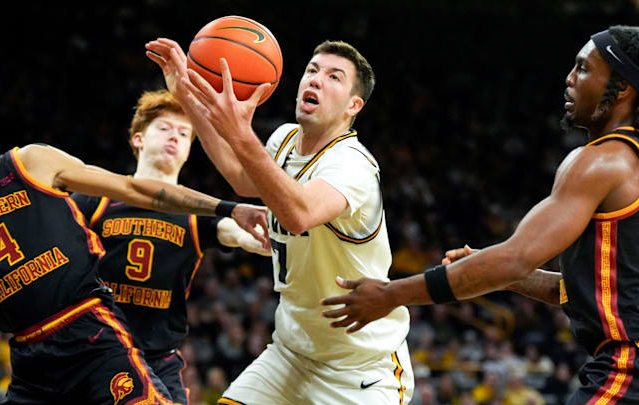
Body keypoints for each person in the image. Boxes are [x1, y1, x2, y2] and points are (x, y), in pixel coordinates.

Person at [320, 25, 639, 404]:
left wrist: (391, 294)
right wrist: (502, 277)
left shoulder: (602, 162)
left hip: (627, 370)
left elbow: (514, 257)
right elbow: (599, 293)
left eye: (584, 69)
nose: (569, 79)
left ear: (621, 88)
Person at [0, 101, 269, 404]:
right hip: (32, 360)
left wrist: (226, 208)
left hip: (90, 333)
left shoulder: (30, 164)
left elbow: (133, 189)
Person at [145, 38, 414, 404]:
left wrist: (240, 132)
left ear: (354, 106)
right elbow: (242, 177)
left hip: (360, 372)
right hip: (290, 354)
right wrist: (185, 96)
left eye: (334, 77)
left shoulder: (353, 164)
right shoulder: (284, 139)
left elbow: (298, 214)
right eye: (312, 71)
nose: (316, 80)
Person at [71, 89, 270, 404]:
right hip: (96, 348)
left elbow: (239, 233)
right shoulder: (98, 198)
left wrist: (271, 239)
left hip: (158, 356)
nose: (174, 137)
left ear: (189, 152)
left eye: (183, 133)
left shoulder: (198, 212)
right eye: (164, 128)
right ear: (138, 139)